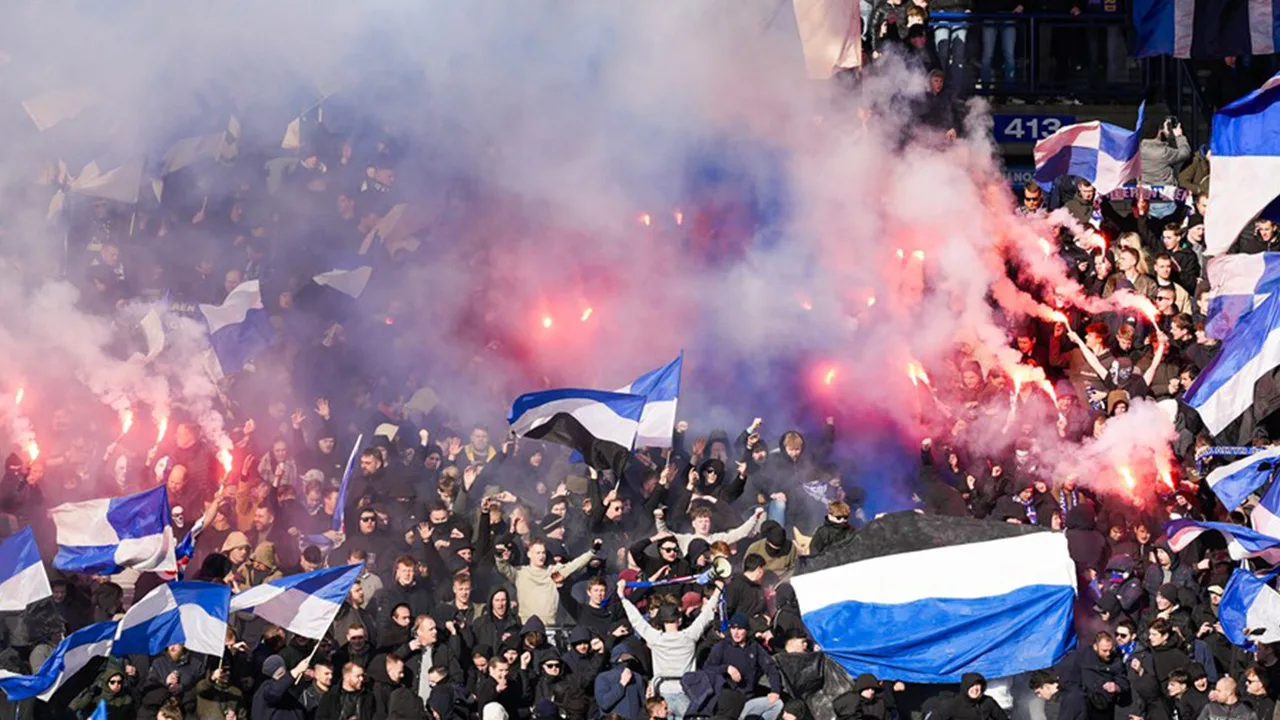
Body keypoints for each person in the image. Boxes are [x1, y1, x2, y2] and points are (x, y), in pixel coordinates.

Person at [618, 578, 724, 719]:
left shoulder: (655, 638)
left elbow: (637, 621)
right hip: (686, 691)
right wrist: (718, 590)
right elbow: (705, 616)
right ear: (679, 620)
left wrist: (622, 596)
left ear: (662, 621)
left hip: (662, 693)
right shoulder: (689, 636)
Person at [706, 614, 784, 720]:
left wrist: (775, 690)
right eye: (733, 628)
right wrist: (727, 668)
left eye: (740, 628)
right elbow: (707, 669)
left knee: (777, 704)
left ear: (747, 630)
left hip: (748, 700)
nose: (736, 632)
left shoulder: (754, 646)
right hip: (726, 702)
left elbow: (770, 668)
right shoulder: (721, 647)